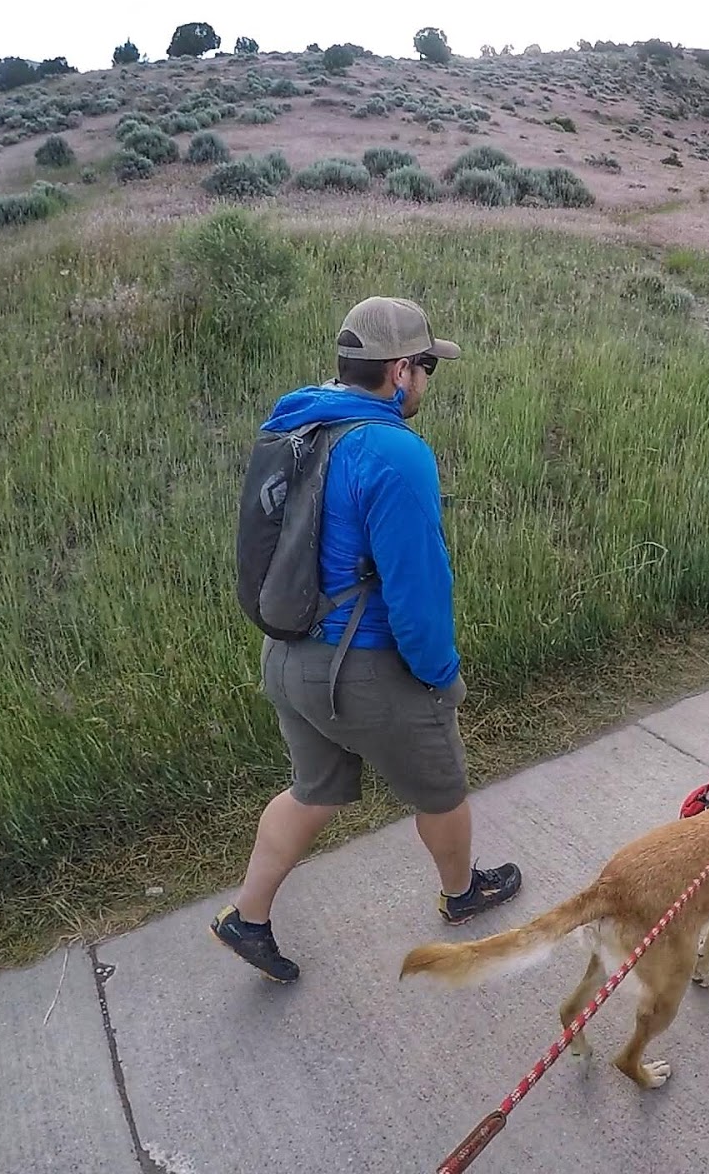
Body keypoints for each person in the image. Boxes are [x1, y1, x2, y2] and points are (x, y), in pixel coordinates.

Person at [212, 296, 522, 983]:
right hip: (362, 669)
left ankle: (248, 917)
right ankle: (462, 892)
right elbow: (418, 594)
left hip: (287, 656)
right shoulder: (393, 452)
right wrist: (440, 676)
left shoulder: (303, 421)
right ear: (402, 370)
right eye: (427, 368)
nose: (428, 383)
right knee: (441, 791)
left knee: (313, 791)